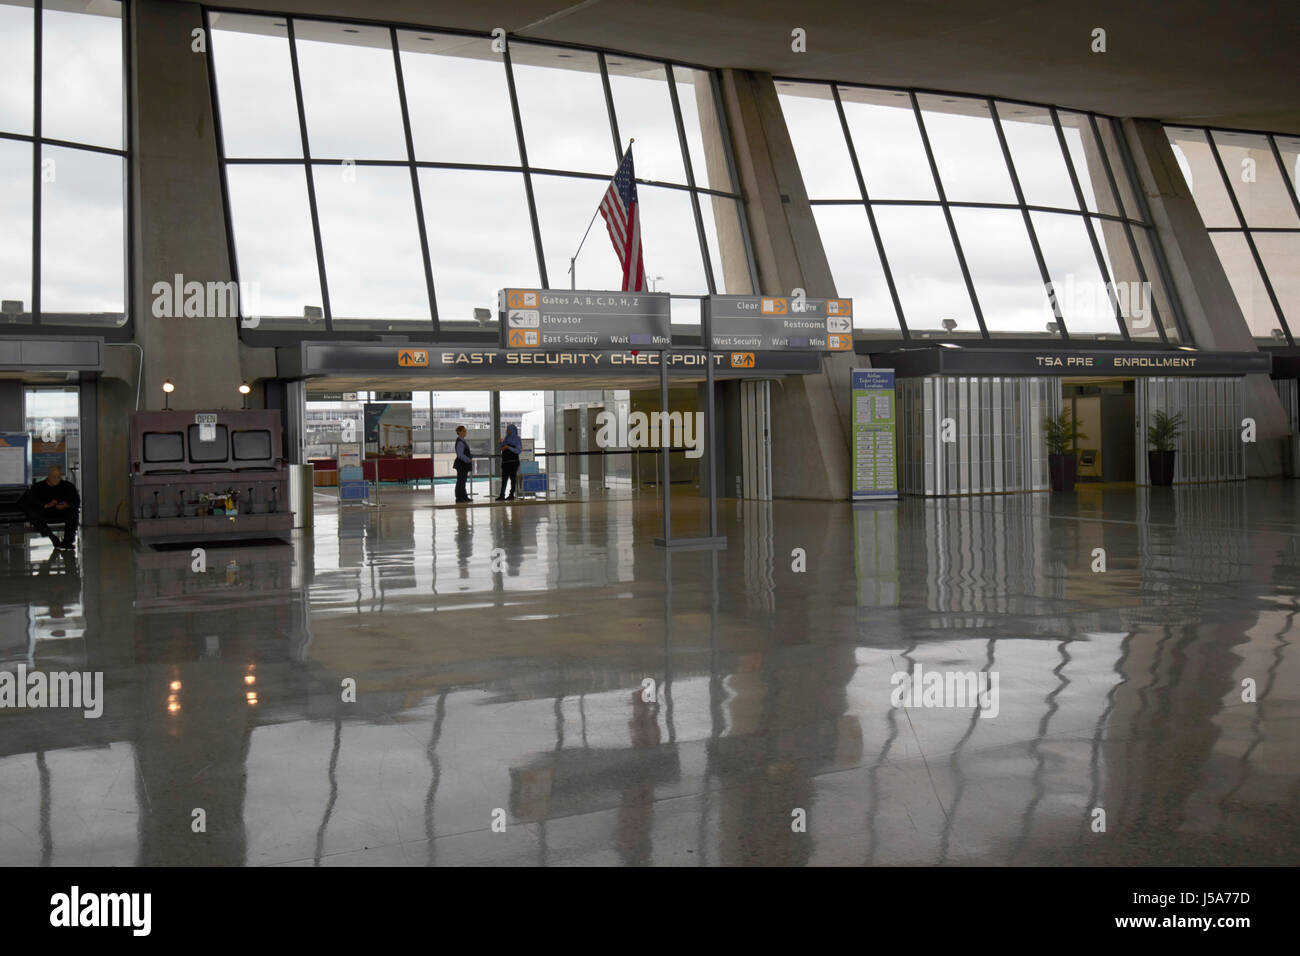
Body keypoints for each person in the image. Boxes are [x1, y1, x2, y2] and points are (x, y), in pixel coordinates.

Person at [19, 464, 80, 549]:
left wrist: (66, 504)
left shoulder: (68, 486)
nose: (57, 479)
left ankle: (67, 541)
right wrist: (46, 505)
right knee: (32, 514)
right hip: (45, 513)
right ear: (48, 476)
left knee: (73, 512)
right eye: (54, 477)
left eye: (58, 477)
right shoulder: (37, 487)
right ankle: (52, 537)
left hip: (62, 512)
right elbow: (30, 502)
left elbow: (76, 501)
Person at [497, 424, 522, 501]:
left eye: (508, 429)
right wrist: (500, 443)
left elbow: (518, 450)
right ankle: (502, 495)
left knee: (513, 479)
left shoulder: (517, 439)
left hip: (513, 463)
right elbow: (501, 448)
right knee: (504, 479)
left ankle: (511, 495)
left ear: (512, 430)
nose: (506, 431)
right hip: (505, 463)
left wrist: (508, 447)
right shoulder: (506, 438)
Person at [453, 425, 474, 503]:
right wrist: (467, 459)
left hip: (463, 464)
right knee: (461, 481)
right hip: (461, 464)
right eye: (464, 431)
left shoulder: (462, 441)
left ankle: (464, 496)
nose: (465, 432)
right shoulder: (460, 442)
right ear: (460, 432)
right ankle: (459, 497)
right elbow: (460, 454)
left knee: (463, 480)